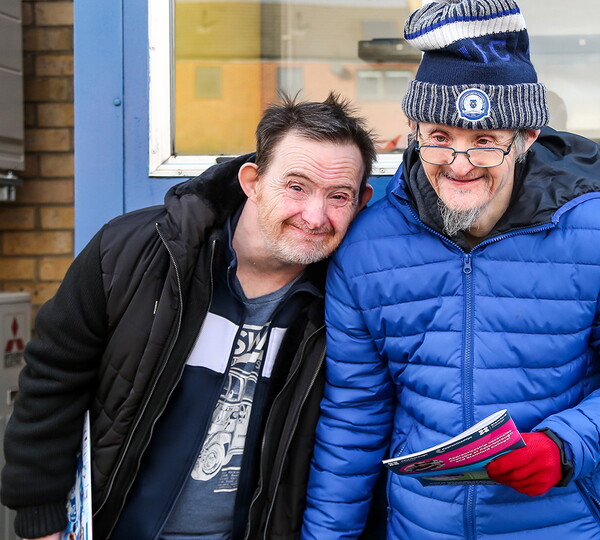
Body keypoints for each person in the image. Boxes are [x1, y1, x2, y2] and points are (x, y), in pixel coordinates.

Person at [301, 1, 600, 539]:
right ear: (414, 130)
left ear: (526, 138)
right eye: (440, 137)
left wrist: (563, 446)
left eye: (485, 142)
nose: (459, 165)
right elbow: (355, 415)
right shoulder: (367, 246)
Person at [1, 94, 376, 540]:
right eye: (296, 187)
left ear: (361, 202)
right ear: (253, 181)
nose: (315, 216)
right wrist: (40, 516)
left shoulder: (354, 298)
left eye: (338, 196)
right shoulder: (132, 252)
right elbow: (53, 379)